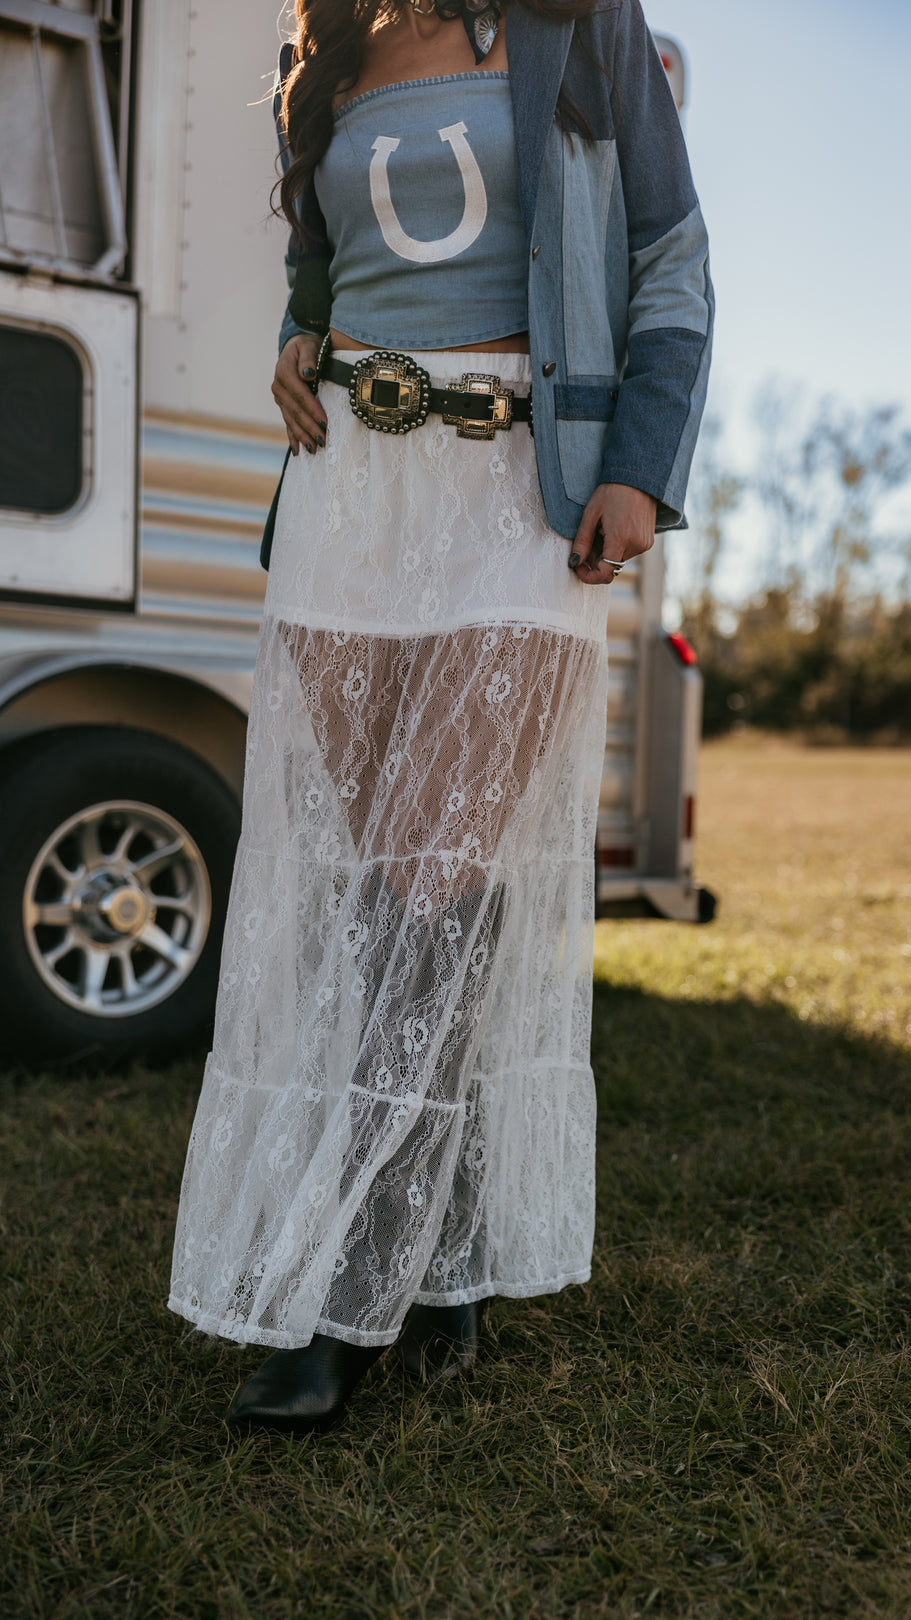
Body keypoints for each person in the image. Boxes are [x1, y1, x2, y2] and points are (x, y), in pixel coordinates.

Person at [169, 0, 712, 1434]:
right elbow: (320, 252)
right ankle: (446, 1246)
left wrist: (643, 466)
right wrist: (296, 334)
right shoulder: (334, 43)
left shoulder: (582, 25)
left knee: (432, 891)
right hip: (349, 492)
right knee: (364, 900)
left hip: (512, 498)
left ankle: (336, 1290)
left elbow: (669, 250)